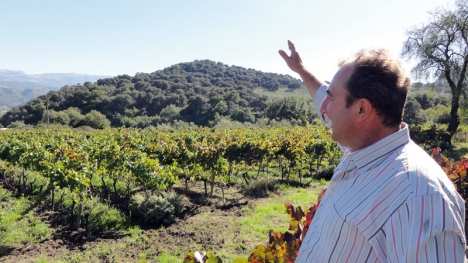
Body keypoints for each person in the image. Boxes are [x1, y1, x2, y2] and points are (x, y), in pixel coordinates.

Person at [279, 40, 466, 262]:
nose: (323, 108)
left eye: (331, 98)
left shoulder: (417, 196)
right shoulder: (363, 147)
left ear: (361, 109)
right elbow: (324, 98)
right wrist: (302, 70)